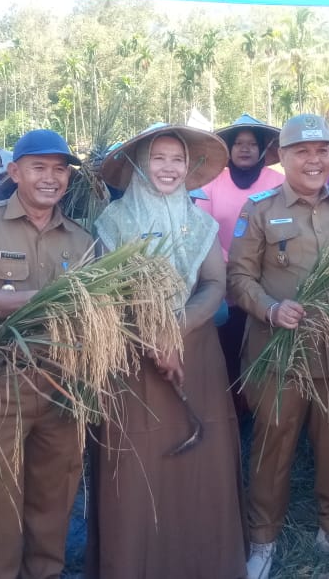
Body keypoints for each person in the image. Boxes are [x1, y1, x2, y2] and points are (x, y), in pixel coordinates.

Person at [87, 123, 246, 579]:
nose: (169, 168)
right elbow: (102, 294)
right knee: (138, 464)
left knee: (201, 460)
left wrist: (175, 328)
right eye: (159, 158)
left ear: (189, 167)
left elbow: (216, 282)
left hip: (197, 356)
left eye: (177, 159)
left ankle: (204, 564)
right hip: (131, 361)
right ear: (140, 164)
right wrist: (150, 335)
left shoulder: (200, 223)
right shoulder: (113, 223)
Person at [228, 114, 329, 579]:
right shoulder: (258, 209)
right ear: (283, 158)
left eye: (321, 151)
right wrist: (271, 308)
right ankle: (263, 540)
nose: (314, 160)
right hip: (278, 355)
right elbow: (238, 279)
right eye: (302, 151)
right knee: (272, 450)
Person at [0, 129, 92, 579]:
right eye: (38, 167)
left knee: (55, 495)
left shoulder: (82, 238)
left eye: (60, 168)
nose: (51, 178)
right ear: (14, 172)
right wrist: (47, 298)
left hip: (61, 386)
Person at [197, 113, 285, 395]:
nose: (245, 149)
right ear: (229, 149)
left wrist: (253, 272)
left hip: (267, 280)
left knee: (262, 346)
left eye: (251, 144)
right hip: (220, 281)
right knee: (227, 347)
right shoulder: (212, 182)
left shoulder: (278, 182)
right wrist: (232, 267)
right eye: (238, 144)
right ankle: (230, 404)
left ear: (262, 149)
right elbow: (204, 230)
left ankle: (261, 400)